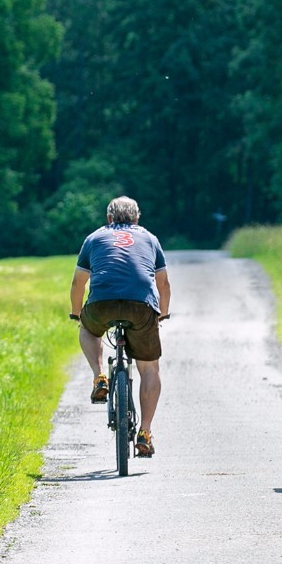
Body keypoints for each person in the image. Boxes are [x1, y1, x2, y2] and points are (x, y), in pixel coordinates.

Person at [70, 195, 171, 458]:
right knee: (149, 367)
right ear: (137, 218)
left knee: (88, 329)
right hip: (141, 306)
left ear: (109, 218)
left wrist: (75, 313)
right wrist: (162, 315)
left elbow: (78, 283)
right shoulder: (150, 238)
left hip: (102, 304)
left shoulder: (94, 238)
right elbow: (163, 285)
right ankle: (145, 433)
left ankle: (100, 375)